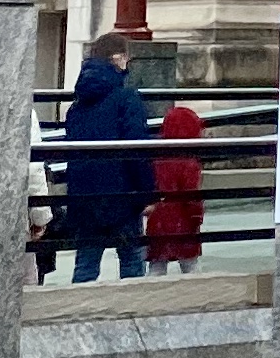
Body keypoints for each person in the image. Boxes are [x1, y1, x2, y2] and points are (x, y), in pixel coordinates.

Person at [60, 33, 156, 282]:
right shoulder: (126, 98)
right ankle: (133, 315)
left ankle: (78, 314)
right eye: (126, 57)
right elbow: (136, 149)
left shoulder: (78, 103)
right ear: (118, 58)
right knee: (132, 262)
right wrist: (147, 193)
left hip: (84, 194)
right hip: (121, 194)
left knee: (86, 265)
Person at [146, 99, 208, 272]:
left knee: (157, 267)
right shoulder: (189, 163)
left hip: (158, 223)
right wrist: (197, 216)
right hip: (184, 225)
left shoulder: (157, 160)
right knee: (191, 267)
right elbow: (191, 196)